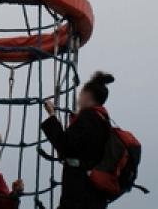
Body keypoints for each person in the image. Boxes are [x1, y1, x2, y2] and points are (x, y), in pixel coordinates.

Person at [41, 71, 115, 209]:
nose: (78, 97)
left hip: (79, 191)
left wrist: (52, 116)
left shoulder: (88, 117)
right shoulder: (104, 121)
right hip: (94, 192)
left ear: (87, 95)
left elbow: (66, 146)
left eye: (81, 93)